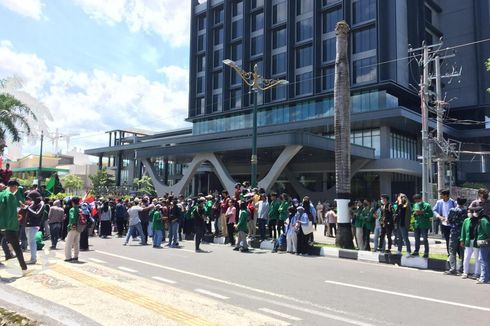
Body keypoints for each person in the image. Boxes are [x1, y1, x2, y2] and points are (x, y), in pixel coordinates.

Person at [0, 181, 29, 276]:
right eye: (17, 188)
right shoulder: (11, 196)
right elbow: (10, 212)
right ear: (14, 187)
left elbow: (5, 210)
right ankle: (24, 268)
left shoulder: (1, 194)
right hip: (8, 226)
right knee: (17, 248)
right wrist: (15, 220)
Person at [444, 198, 466, 275]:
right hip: (463, 233)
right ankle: (462, 268)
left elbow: (449, 220)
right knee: (462, 252)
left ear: (457, 202)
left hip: (454, 232)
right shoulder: (465, 211)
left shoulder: (452, 210)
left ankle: (453, 268)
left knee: (452, 251)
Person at [460, 205, 481, 279]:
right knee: (466, 257)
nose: (468, 213)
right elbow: (463, 231)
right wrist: (462, 240)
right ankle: (465, 272)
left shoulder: (479, 220)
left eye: (470, 212)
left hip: (476, 242)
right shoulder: (466, 220)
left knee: (477, 258)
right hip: (468, 241)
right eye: (468, 211)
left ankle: (476, 273)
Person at [433, 190, 457, 255]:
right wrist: (439, 216)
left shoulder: (453, 202)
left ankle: (455, 252)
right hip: (444, 223)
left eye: (441, 195)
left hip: (452, 224)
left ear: (446, 195)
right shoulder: (439, 202)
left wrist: (452, 219)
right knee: (447, 239)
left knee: (453, 239)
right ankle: (449, 253)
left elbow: (457, 212)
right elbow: (434, 210)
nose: (440, 196)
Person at [24, 192, 44, 264]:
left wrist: (27, 208)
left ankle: (33, 259)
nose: (30, 200)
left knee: (32, 242)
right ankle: (32, 258)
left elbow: (37, 214)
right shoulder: (34, 203)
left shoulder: (41, 203)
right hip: (28, 225)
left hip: (34, 225)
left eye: (31, 198)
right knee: (30, 242)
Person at [412, 194, 433, 258]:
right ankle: (416, 251)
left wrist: (422, 213)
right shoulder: (415, 205)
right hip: (417, 224)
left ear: (421, 199)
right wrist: (415, 213)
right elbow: (413, 212)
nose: (417, 202)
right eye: (415, 201)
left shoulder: (427, 205)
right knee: (416, 239)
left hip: (424, 224)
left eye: (418, 200)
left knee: (425, 239)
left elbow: (431, 214)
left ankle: (426, 253)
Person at [65, 197, 82, 262]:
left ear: (72, 202)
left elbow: (72, 218)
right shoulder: (80, 209)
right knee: (76, 242)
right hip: (79, 227)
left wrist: (72, 225)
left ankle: (68, 257)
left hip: (72, 227)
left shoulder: (72, 209)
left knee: (69, 243)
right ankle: (76, 256)